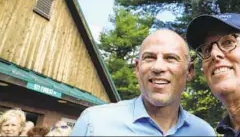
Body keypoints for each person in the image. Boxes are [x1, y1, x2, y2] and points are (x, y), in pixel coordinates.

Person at [71, 29, 216, 136]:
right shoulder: (94, 123)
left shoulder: (204, 133)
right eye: (150, 57)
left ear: (189, 71)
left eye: (170, 58)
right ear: (137, 68)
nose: (158, 67)